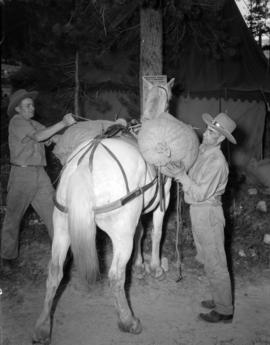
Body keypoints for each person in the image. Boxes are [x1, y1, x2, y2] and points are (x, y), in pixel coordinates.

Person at [163, 112, 237, 323]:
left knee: (216, 262)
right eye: (207, 129)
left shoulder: (217, 162)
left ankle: (225, 311)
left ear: (221, 138)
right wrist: (175, 163)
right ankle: (219, 297)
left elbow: (198, 192)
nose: (206, 133)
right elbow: (188, 170)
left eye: (212, 132)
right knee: (207, 258)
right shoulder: (204, 150)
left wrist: (180, 176)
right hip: (198, 211)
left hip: (208, 213)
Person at [0, 89, 76, 271]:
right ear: (18, 109)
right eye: (27, 105)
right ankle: (7, 257)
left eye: (32, 104)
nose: (32, 107)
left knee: (53, 215)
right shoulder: (17, 122)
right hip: (21, 175)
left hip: (40, 175)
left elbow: (52, 136)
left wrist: (73, 137)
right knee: (13, 218)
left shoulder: (34, 123)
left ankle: (62, 254)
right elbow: (40, 136)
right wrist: (63, 122)